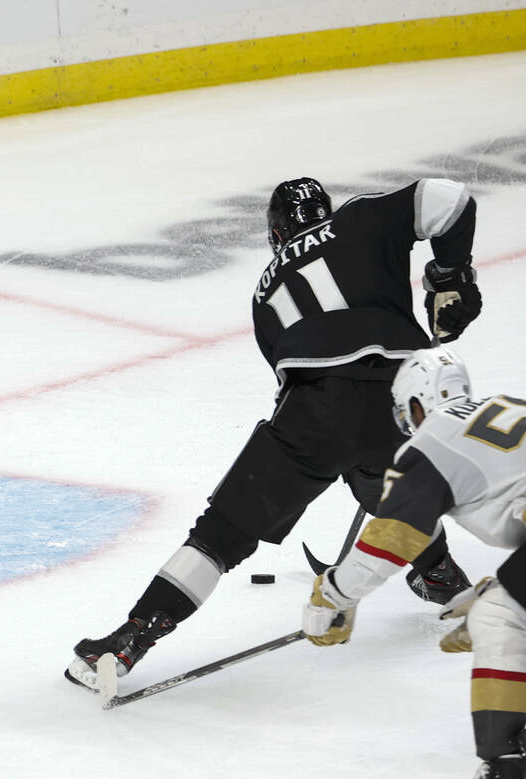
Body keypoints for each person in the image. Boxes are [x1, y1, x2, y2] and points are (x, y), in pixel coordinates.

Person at [67, 177, 484, 695]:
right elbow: (449, 197)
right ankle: (441, 574)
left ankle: (131, 639)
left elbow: (309, 389)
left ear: (276, 233)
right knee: (389, 484)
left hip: (315, 407)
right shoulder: (361, 218)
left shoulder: (264, 293)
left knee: (220, 536)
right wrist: (451, 276)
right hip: (404, 395)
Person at [304, 348, 526, 779]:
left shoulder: (433, 441)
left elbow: (390, 540)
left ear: (417, 403)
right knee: (507, 607)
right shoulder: (505, 407)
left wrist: (333, 596)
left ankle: (505, 773)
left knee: (498, 619)